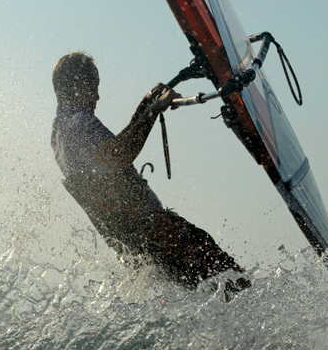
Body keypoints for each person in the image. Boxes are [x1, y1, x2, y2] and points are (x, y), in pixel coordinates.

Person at [51, 51, 249, 295]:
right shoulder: (80, 124)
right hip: (157, 234)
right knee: (234, 282)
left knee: (214, 293)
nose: (97, 96)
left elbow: (113, 149)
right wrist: (153, 110)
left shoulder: (59, 133)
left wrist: (146, 104)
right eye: (94, 87)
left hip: (140, 246)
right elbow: (119, 154)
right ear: (80, 85)